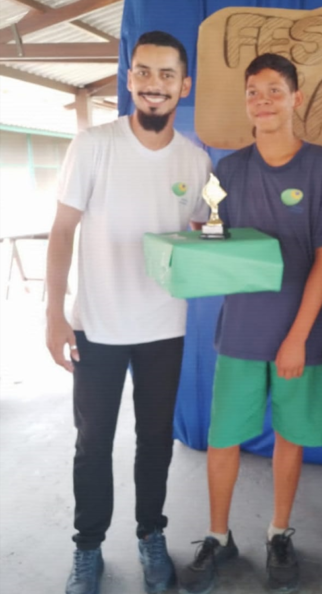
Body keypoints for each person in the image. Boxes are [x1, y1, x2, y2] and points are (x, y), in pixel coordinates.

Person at [45, 31, 212, 594]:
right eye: (143, 73)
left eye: (167, 75)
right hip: (97, 326)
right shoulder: (93, 145)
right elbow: (63, 231)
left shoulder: (196, 160)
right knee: (92, 443)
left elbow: (198, 238)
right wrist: (52, 313)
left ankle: (151, 535)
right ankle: (87, 548)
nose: (154, 85)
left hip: (164, 327)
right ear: (129, 79)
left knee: (156, 440)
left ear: (183, 86)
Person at [179, 53, 322, 594]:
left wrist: (297, 336)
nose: (264, 100)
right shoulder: (228, 169)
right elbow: (213, 235)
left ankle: (279, 531)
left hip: (302, 334)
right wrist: (197, 228)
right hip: (243, 331)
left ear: (296, 98)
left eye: (275, 90)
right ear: (246, 102)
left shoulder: (321, 165)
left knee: (291, 438)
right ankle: (217, 534)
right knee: (223, 438)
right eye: (254, 91)